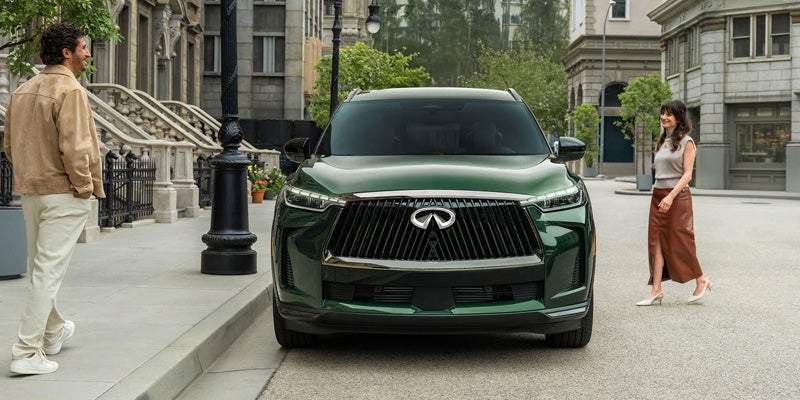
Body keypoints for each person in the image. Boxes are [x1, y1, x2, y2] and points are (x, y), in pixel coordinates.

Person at [3, 22, 105, 375]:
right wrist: (84, 187)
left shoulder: (23, 89)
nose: (87, 53)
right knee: (46, 273)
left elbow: (9, 146)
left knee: (39, 268)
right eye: (83, 47)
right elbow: (76, 148)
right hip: (63, 192)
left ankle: (53, 330)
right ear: (66, 52)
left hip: (31, 191)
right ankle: (27, 352)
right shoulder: (70, 90)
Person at [636, 99, 711, 306]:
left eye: (668, 114)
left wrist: (670, 196)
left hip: (677, 197)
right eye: (662, 113)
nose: (663, 117)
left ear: (679, 118)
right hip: (658, 194)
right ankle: (656, 290)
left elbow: (687, 175)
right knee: (655, 242)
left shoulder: (687, 142)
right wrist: (660, 194)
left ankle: (701, 279)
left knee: (681, 241)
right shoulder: (661, 141)